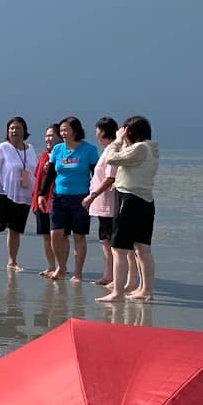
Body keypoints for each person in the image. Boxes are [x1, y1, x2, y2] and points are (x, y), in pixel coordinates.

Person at [98, 116, 161, 305]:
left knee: (119, 249)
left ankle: (117, 291)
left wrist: (117, 140)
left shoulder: (140, 148)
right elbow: (125, 157)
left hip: (129, 200)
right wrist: (123, 142)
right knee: (142, 249)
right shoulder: (151, 149)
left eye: (126, 131)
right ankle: (145, 290)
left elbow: (112, 158)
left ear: (132, 132)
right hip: (145, 201)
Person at [46, 116, 100, 283]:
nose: (63, 133)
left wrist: (93, 195)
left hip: (80, 198)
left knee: (78, 236)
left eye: (66, 130)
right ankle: (61, 267)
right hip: (59, 196)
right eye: (61, 130)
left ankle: (78, 273)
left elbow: (95, 174)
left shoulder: (89, 150)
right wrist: (42, 194)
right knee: (56, 234)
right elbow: (50, 174)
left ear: (75, 131)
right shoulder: (57, 149)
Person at [0, 118, 37, 274]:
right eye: (11, 128)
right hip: (2, 194)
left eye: (18, 128)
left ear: (24, 131)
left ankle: (12, 262)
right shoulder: (3, 148)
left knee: (15, 230)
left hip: (23, 196)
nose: (14, 131)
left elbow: (35, 170)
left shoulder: (30, 149)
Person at [82, 118, 121, 289]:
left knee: (112, 242)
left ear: (104, 131)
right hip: (101, 205)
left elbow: (109, 178)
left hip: (108, 204)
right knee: (105, 241)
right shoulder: (106, 150)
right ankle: (108, 275)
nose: (96, 134)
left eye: (98, 130)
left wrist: (93, 195)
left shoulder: (113, 150)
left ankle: (115, 277)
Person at [30, 123, 60, 278]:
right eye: (47, 136)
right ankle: (51, 266)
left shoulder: (62, 155)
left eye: (51, 135)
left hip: (56, 200)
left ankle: (61, 266)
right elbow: (37, 177)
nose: (48, 138)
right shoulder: (43, 155)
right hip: (41, 201)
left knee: (58, 236)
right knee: (46, 236)